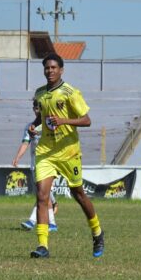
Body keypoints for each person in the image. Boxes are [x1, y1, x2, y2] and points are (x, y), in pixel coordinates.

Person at [28, 52, 104, 259]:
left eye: (54, 68)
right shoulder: (40, 93)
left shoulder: (70, 93)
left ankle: (97, 232)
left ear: (61, 70)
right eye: (47, 68)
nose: (50, 71)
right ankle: (42, 245)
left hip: (68, 151)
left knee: (78, 194)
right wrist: (33, 125)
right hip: (46, 151)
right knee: (42, 196)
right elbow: (42, 118)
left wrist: (64, 121)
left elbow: (87, 120)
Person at [12, 99, 58, 232]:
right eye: (35, 108)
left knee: (42, 193)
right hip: (35, 165)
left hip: (49, 164)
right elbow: (25, 143)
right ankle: (51, 222)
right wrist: (17, 157)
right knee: (43, 194)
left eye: (40, 108)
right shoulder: (30, 126)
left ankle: (33, 221)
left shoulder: (50, 124)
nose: (37, 110)